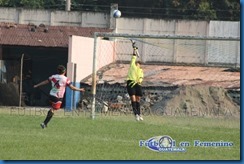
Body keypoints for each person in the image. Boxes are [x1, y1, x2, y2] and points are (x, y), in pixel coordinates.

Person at [126, 43, 144, 121]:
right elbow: (133, 56)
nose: (137, 64)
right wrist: (135, 49)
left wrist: (139, 81)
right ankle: (136, 114)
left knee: (138, 100)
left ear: (140, 65)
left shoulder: (141, 71)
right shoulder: (132, 66)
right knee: (133, 99)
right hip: (131, 83)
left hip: (138, 85)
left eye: (138, 64)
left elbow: (141, 78)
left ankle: (139, 114)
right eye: (136, 63)